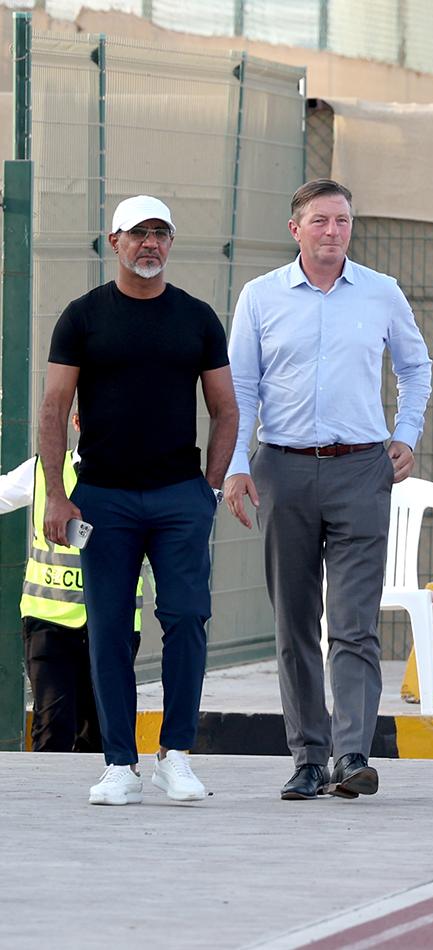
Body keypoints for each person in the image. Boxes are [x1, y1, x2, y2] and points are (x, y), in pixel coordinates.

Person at [224, 179, 432, 802]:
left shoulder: (381, 292)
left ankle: (350, 756)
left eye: (342, 221)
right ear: (296, 229)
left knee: (354, 622)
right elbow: (240, 388)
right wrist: (236, 466)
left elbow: (415, 367)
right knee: (294, 621)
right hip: (281, 470)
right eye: (320, 221)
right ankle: (307, 757)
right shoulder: (260, 297)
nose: (332, 231)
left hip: (361, 470)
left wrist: (406, 433)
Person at [38, 194, 238, 805]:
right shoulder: (82, 316)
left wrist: (207, 488)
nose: (150, 243)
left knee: (185, 618)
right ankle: (119, 764)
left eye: (161, 233)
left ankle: (174, 755)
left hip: (181, 497)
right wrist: (57, 496)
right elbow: (53, 409)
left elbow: (226, 409)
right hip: (103, 500)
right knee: (108, 632)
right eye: (138, 233)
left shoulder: (198, 318)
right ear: (114, 240)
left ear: (171, 243)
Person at [0, 414, 142, 753]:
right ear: (77, 421)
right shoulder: (41, 472)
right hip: (49, 621)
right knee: (53, 731)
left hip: (112, 623)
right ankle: (50, 804)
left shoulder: (136, 477)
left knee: (103, 736)